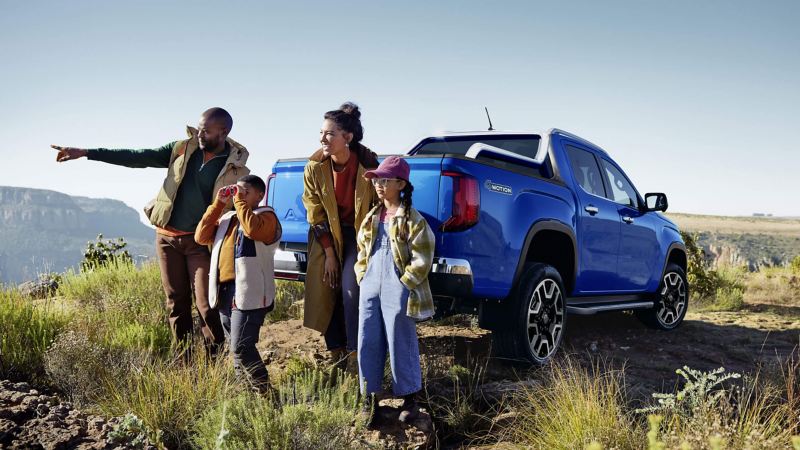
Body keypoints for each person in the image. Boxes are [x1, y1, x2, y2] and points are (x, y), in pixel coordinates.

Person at [51, 107, 249, 357]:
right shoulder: (182, 148)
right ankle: (185, 360)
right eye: (199, 128)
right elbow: (138, 157)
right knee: (176, 303)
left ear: (224, 132)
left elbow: (241, 207)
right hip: (166, 238)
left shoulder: (236, 168)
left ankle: (213, 362)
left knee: (206, 305)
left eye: (206, 131)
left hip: (200, 243)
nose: (200, 134)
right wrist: (87, 153)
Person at [354, 156, 435, 426]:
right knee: (367, 336)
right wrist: (362, 275)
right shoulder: (372, 216)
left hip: (397, 283)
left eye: (385, 180)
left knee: (400, 337)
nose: (379, 184)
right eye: (377, 179)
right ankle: (369, 398)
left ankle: (410, 399)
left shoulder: (412, 218)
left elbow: (423, 256)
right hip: (371, 283)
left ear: (401, 183)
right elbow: (363, 250)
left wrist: (406, 282)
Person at [301, 102, 378, 369]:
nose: (323, 139)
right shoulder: (314, 167)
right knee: (326, 287)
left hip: (359, 236)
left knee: (350, 291)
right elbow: (315, 212)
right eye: (321, 133)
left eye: (329, 134)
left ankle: (357, 353)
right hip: (326, 236)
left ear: (347, 137)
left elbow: (377, 208)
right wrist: (330, 254)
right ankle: (336, 350)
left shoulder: (369, 166)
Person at [195, 175, 281, 391]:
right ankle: (248, 396)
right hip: (224, 290)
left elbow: (252, 230)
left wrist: (240, 201)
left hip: (249, 291)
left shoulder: (267, 216)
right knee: (236, 348)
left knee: (241, 346)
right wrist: (218, 204)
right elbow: (201, 236)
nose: (238, 196)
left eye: (245, 192)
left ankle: (265, 393)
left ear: (259, 195)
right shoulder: (227, 219)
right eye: (237, 192)